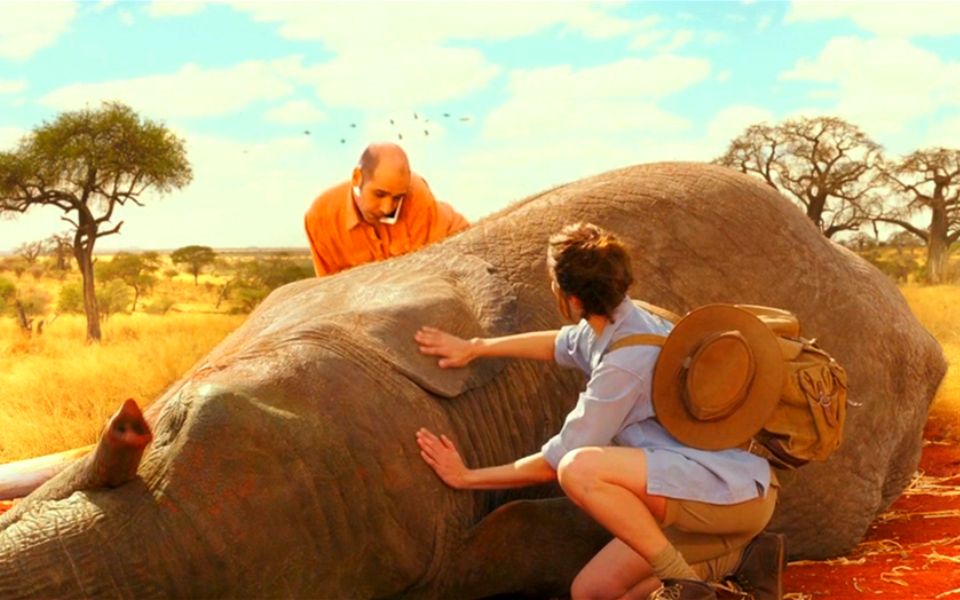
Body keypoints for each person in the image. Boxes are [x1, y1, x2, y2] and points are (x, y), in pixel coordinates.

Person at [414, 222, 784, 600]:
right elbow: (559, 344)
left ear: (572, 299)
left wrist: (466, 477)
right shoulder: (624, 319)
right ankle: (743, 558)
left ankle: (682, 582)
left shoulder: (624, 364)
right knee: (592, 592)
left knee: (579, 468)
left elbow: (554, 464)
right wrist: (475, 347)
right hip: (693, 490)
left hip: (722, 494)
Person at [304, 142, 469, 277]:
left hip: (456, 251)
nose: (387, 208)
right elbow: (330, 288)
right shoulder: (320, 219)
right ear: (356, 178)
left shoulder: (417, 195)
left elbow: (426, 279)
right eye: (379, 194)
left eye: (398, 197)